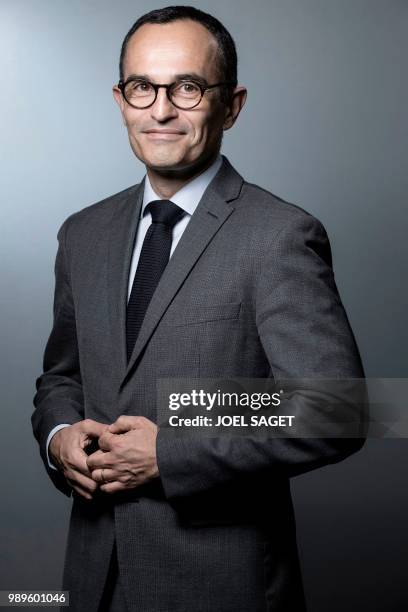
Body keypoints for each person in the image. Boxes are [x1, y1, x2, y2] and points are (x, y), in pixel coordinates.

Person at [32, 5, 365, 612]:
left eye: (187, 87)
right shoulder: (81, 233)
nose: (161, 110)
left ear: (232, 105)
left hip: (220, 587)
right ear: (120, 99)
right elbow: (62, 377)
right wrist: (59, 435)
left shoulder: (278, 235)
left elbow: (337, 409)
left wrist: (168, 452)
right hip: (91, 579)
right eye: (142, 88)